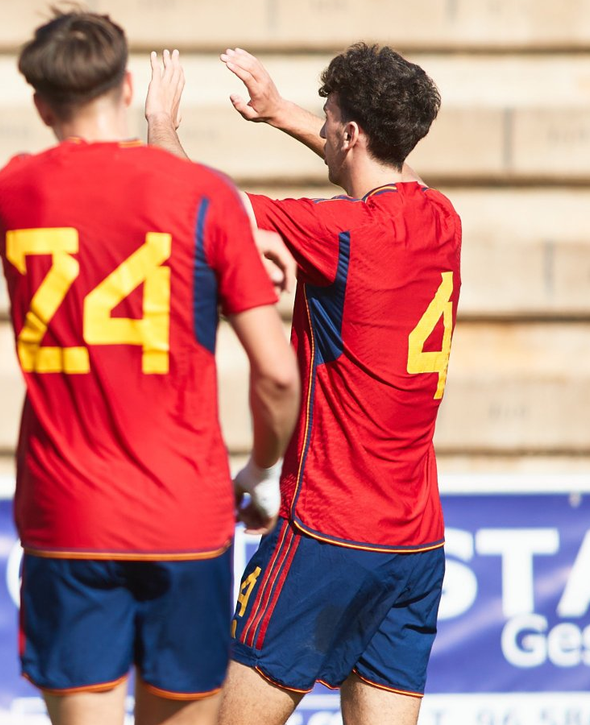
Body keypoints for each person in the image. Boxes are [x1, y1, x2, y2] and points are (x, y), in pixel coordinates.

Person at [0, 11, 300, 725]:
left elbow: (105, 237)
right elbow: (278, 375)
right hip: (184, 512)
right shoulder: (206, 198)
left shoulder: (10, 193)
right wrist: (261, 472)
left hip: (67, 511)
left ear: (40, 104)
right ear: (128, 86)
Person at [147, 44, 461, 725]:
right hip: (414, 543)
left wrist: (161, 126)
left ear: (349, 133)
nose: (319, 128)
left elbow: (200, 206)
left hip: (327, 529)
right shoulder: (442, 219)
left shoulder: (343, 232)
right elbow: (389, 168)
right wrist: (282, 111)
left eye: (327, 120)